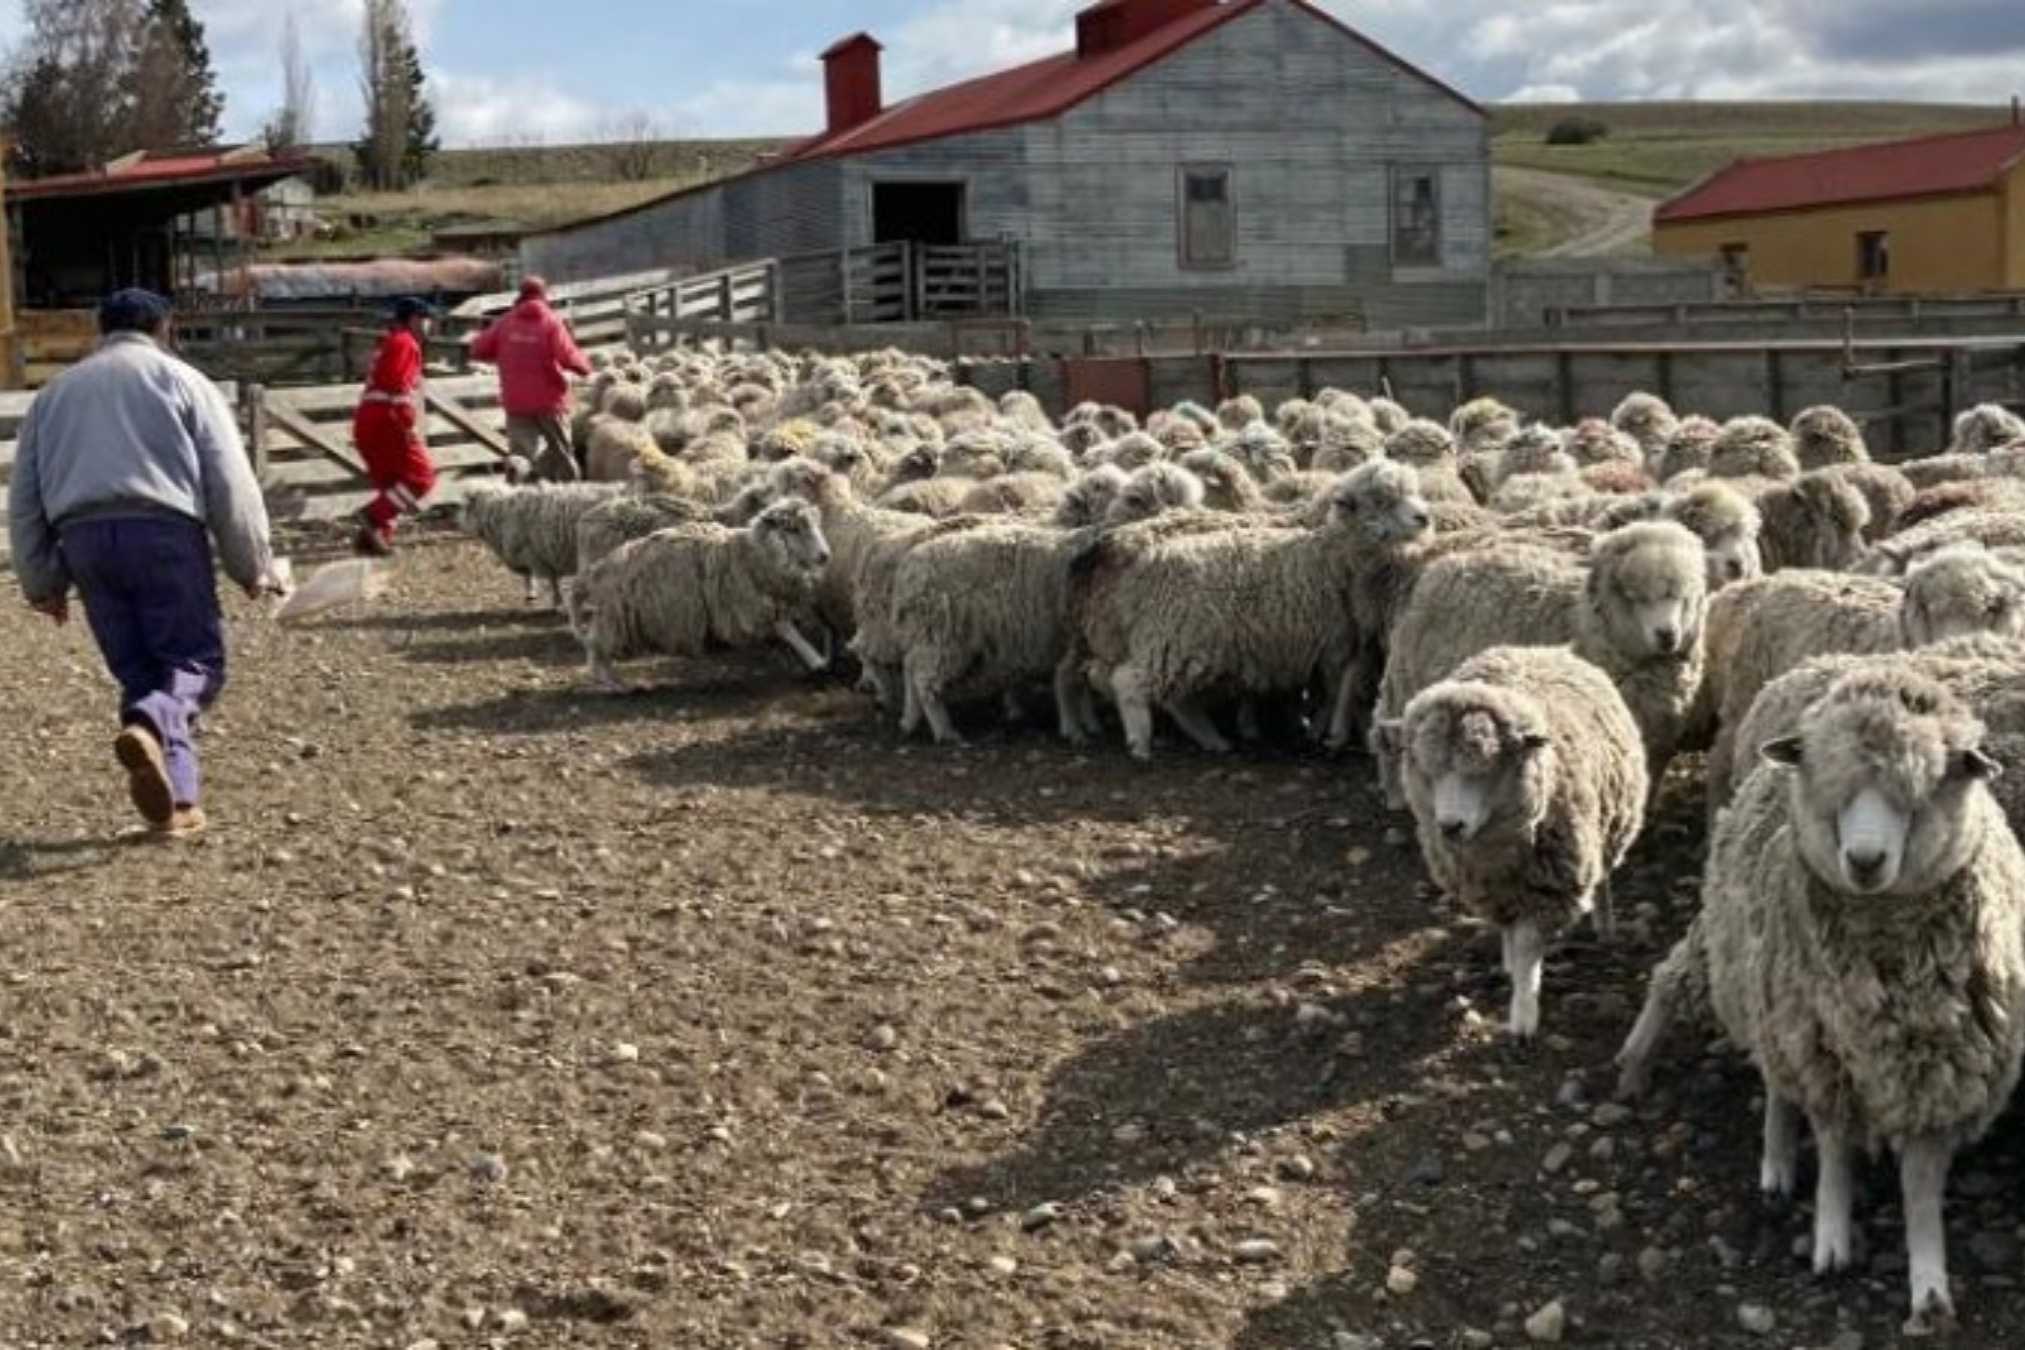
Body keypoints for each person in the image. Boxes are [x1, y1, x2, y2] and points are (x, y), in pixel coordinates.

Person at [7, 288, 276, 839]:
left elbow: (25, 495)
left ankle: (177, 800)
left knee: (139, 671)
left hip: (81, 540)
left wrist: (42, 581)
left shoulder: (54, 394)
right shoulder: (183, 380)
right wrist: (251, 563)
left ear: (98, 330)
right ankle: (153, 724)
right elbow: (228, 477)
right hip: (162, 530)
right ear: (165, 328)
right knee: (195, 662)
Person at [468, 276, 592, 481]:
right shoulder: (551, 322)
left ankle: (520, 502)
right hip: (550, 400)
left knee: (520, 458)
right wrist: (586, 368)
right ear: (544, 295)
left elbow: (477, 349)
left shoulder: (505, 322)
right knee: (562, 453)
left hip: (516, 402)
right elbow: (568, 357)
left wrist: (502, 354)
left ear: (521, 294)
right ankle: (571, 498)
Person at [350, 296, 440, 557]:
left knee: (391, 485)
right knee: (421, 477)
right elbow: (398, 386)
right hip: (387, 421)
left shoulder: (390, 342)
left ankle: (373, 541)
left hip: (368, 421)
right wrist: (407, 422)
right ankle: (372, 517)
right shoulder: (406, 343)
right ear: (413, 319)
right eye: (425, 319)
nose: (428, 325)